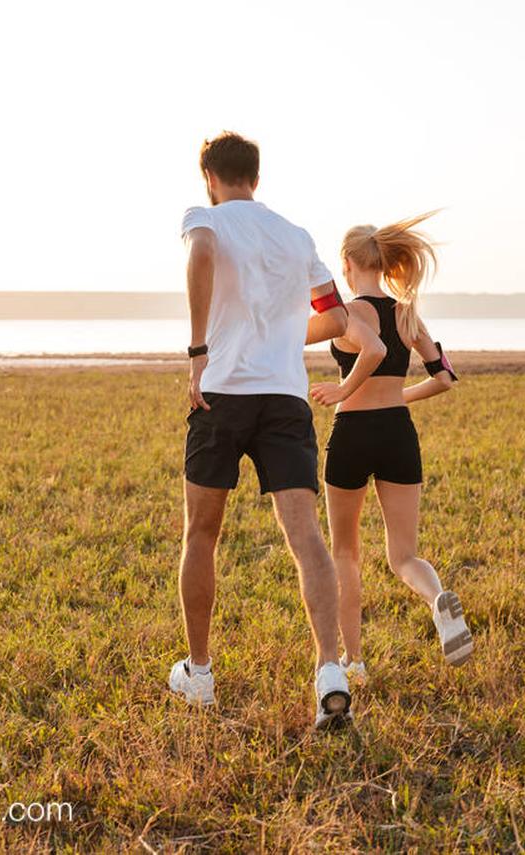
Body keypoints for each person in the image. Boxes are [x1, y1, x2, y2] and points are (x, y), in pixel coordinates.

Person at [167, 132, 385, 729]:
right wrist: (284, 333)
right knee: (305, 536)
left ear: (208, 177)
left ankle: (201, 673)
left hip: (222, 396)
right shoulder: (296, 237)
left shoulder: (203, 219)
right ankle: (329, 672)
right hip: (284, 399)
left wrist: (197, 351)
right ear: (256, 179)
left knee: (201, 534)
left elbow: (203, 253)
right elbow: (336, 318)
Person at [307, 212, 473, 687]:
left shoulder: (345, 314)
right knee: (404, 556)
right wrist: (398, 397)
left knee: (345, 554)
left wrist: (343, 391)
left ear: (346, 264)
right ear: (382, 262)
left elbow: (371, 351)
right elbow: (444, 377)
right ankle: (437, 598)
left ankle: (354, 663)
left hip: (353, 434)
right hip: (398, 433)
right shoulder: (407, 313)